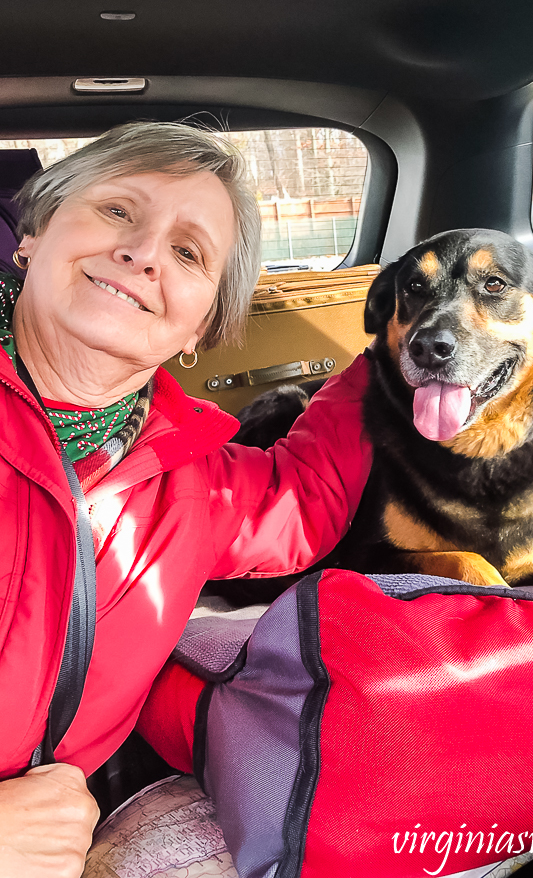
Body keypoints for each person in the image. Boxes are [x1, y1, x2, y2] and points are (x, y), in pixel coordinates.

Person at [0, 121, 372, 877]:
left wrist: (390, 363)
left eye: (189, 252)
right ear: (31, 236)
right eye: (116, 212)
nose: (141, 253)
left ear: (200, 326)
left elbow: (306, 501)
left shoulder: (197, 483)